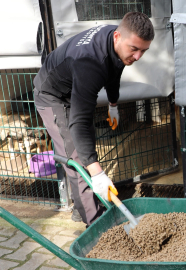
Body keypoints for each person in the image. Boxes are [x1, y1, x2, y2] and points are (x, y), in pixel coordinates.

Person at [33, 12, 154, 227]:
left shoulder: (115, 40)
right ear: (117, 37)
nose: (138, 57)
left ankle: (83, 206)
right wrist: (96, 172)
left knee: (86, 150)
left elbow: (115, 70)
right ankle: (97, 227)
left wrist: (113, 104)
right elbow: (78, 122)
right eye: (134, 49)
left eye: (143, 50)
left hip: (75, 89)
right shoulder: (89, 62)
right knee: (78, 158)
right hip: (52, 95)